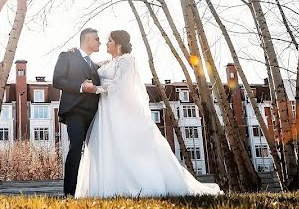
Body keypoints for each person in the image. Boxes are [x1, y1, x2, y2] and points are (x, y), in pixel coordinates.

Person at [75, 30, 221, 198]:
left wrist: (96, 89)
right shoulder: (110, 62)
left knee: (127, 147)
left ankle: (141, 184)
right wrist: (76, 54)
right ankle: (111, 187)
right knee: (110, 147)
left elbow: (122, 86)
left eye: (109, 41)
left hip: (120, 113)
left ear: (118, 45)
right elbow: (92, 66)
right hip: (107, 112)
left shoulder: (127, 61)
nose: (106, 44)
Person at [52, 27, 102, 197]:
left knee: (98, 151)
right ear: (87, 40)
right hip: (74, 111)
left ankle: (97, 190)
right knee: (76, 148)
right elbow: (57, 80)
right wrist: (80, 87)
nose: (99, 42)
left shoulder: (95, 66)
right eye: (96, 39)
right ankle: (69, 194)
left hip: (95, 114)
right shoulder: (67, 56)